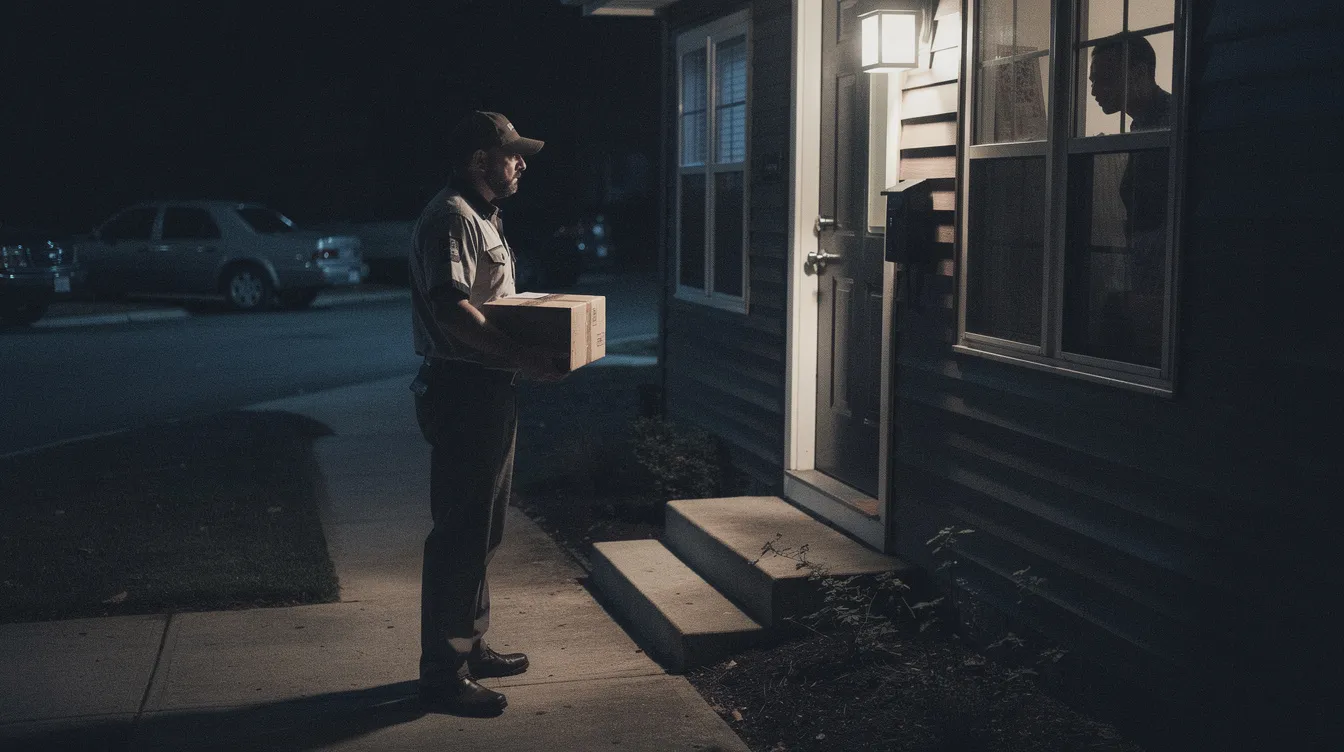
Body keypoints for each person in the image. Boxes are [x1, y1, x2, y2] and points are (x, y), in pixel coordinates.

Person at [408, 110, 564, 717]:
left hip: (487, 388)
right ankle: (442, 675)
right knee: (460, 534)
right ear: (479, 160)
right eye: (511, 153)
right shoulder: (451, 216)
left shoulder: (481, 215)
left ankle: (470, 647)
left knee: (484, 529)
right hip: (463, 390)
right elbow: (451, 310)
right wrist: (523, 355)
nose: (521, 163)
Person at [1083, 35, 1172, 364]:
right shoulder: (1143, 125)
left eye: (1104, 79)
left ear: (1140, 73)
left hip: (1164, 268)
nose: (1094, 90)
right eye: (1092, 81)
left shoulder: (1170, 124)